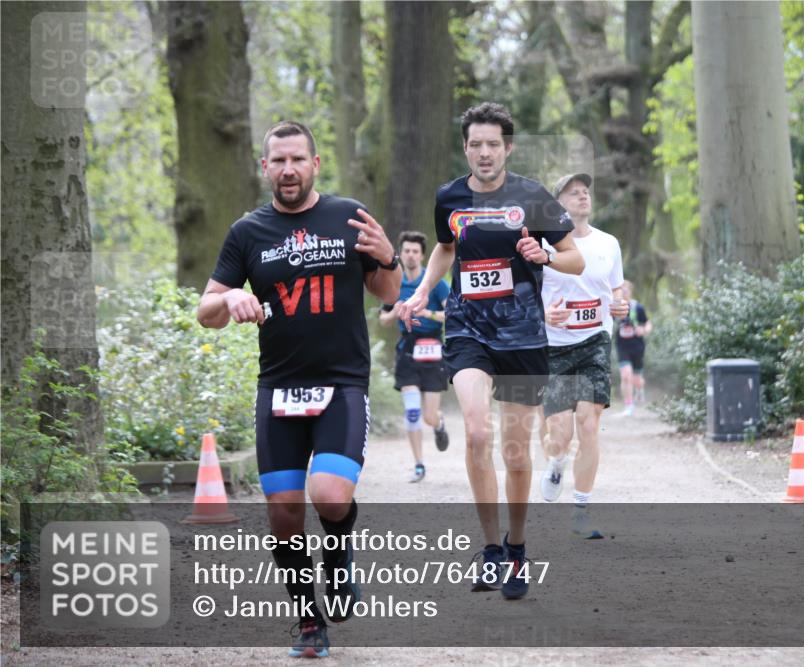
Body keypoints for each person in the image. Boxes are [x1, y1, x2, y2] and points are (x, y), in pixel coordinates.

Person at [197, 120, 401, 658]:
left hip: (341, 383)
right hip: (280, 388)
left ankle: (338, 559)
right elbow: (205, 312)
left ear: (315, 164)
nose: (288, 170)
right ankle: (309, 621)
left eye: (298, 159)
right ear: (264, 168)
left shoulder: (348, 215)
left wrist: (387, 256)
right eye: (278, 161)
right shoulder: (247, 232)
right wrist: (229, 302)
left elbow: (388, 291)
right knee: (283, 513)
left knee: (330, 497)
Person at [398, 102, 583, 600]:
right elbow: (445, 247)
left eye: (493, 145)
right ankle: (491, 550)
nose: (484, 152)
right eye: (475, 144)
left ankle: (517, 548)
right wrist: (419, 293)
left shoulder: (532, 197)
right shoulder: (449, 197)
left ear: (508, 148)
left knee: (516, 451)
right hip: (467, 331)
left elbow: (575, 257)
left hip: (523, 338)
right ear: (465, 147)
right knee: (478, 430)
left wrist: (544, 255)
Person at [537, 173, 628, 539]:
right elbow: (524, 293)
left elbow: (617, 286)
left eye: (586, 191)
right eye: (573, 192)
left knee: (589, 424)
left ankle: (580, 510)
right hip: (553, 346)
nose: (583, 196)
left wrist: (621, 303)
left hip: (594, 341)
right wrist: (544, 314)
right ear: (558, 204)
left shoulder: (609, 242)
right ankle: (557, 461)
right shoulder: (541, 246)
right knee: (559, 435)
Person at [378, 230, 451, 483]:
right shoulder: (394, 282)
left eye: (415, 251)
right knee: (411, 412)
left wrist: (427, 313)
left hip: (432, 349)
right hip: (407, 349)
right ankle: (419, 464)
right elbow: (383, 319)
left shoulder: (435, 283)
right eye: (406, 251)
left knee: (429, 416)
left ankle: (438, 423)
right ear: (401, 253)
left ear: (422, 256)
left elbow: (453, 315)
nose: (410, 255)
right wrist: (396, 312)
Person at [614, 280, 652, 416]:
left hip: (637, 346)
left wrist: (644, 330)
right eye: (621, 289)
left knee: (637, 379)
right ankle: (628, 406)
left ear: (630, 291)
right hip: (622, 346)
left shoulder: (637, 307)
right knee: (625, 375)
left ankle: (639, 390)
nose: (624, 291)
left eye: (626, 289)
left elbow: (648, 323)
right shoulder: (615, 307)